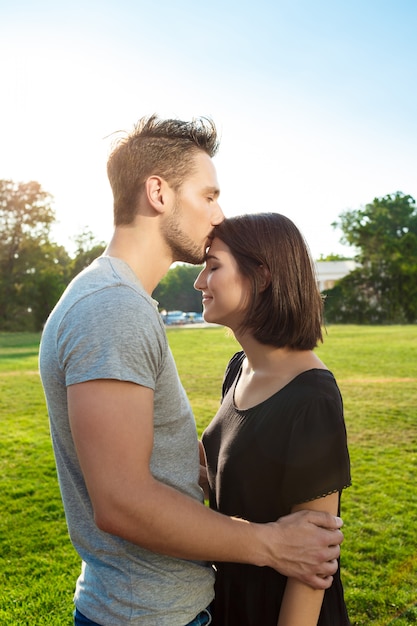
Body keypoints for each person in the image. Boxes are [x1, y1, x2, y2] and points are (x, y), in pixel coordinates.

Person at [39, 116, 345, 626]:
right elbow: (122, 502)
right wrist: (269, 543)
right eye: (208, 195)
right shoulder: (114, 306)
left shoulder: (116, 299)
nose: (218, 213)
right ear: (158, 192)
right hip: (150, 614)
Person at [194, 212, 351, 626]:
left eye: (213, 267)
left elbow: (315, 563)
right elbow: (249, 486)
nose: (199, 283)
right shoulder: (238, 368)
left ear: (261, 276)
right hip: (230, 598)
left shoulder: (311, 398)